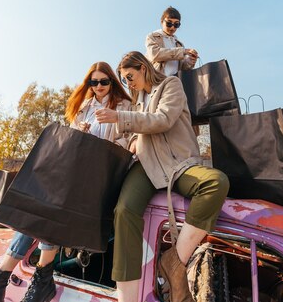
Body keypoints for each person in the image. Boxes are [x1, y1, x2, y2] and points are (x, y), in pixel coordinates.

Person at [0, 62, 132, 302]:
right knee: (41, 209)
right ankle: (22, 277)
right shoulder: (84, 107)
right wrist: (80, 130)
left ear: (112, 81)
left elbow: (129, 146)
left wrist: (112, 126)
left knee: (52, 210)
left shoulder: (124, 106)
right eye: (93, 82)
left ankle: (3, 280)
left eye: (103, 81)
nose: (98, 87)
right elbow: (70, 143)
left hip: (98, 180)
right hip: (74, 174)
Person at [95, 51, 229, 302]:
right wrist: (133, 140)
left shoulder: (171, 85)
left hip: (178, 164)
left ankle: (174, 261)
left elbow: (163, 120)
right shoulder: (136, 100)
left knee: (215, 182)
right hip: (145, 166)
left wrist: (120, 118)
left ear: (143, 68)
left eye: (130, 76)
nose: (128, 83)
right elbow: (139, 130)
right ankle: (127, 297)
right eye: (124, 80)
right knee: (124, 212)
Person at [145, 6, 199, 76]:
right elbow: (154, 54)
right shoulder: (152, 37)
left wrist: (190, 61)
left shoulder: (179, 44)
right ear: (162, 22)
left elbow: (183, 69)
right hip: (157, 81)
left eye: (176, 24)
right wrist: (182, 51)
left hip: (175, 82)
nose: (172, 27)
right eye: (169, 23)